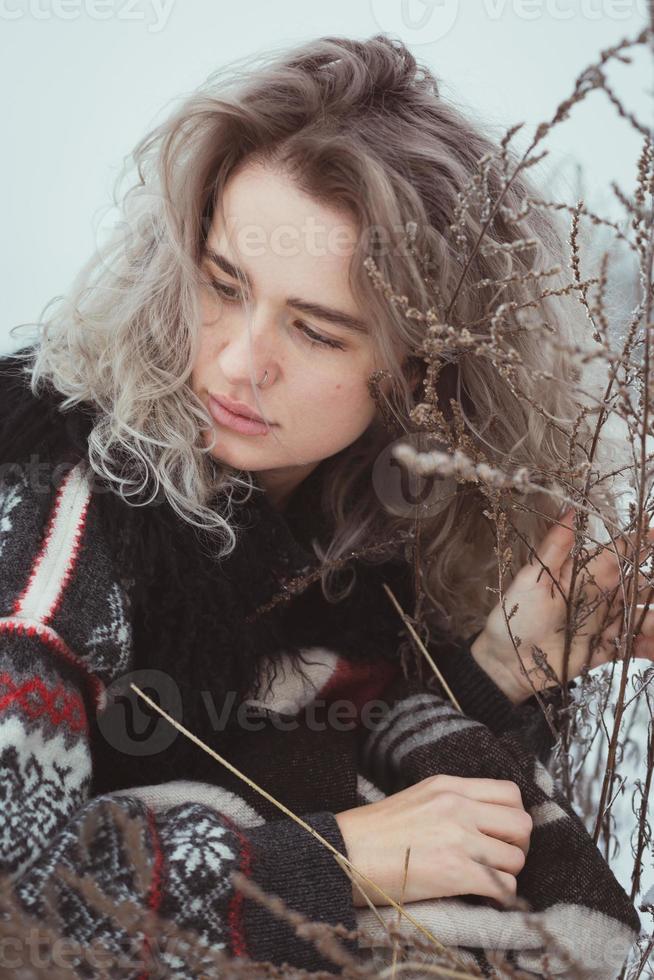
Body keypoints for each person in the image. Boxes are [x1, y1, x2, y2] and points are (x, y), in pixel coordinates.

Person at [0, 33, 647, 978]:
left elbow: (290, 757)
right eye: (222, 286)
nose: (235, 361)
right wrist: (341, 860)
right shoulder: (61, 510)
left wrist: (487, 675)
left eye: (315, 330)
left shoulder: (378, 524)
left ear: (415, 370)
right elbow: (18, 885)